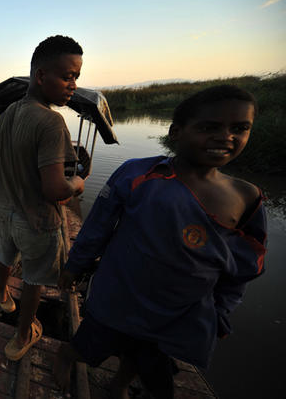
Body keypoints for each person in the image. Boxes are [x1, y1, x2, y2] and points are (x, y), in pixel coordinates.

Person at [54, 85, 268, 398]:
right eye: (209, 127)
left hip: (177, 311)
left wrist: (220, 313)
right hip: (118, 296)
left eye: (240, 128)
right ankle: (67, 355)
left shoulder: (246, 197)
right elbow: (98, 226)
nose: (226, 137)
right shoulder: (139, 174)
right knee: (92, 342)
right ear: (176, 132)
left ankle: (119, 384)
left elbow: (244, 268)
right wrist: (75, 267)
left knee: (145, 355)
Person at [0, 35, 86, 361]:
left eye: (76, 78)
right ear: (41, 75)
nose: (73, 85)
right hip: (38, 221)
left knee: (4, 256)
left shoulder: (9, 113)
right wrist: (79, 184)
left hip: (8, 213)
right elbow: (55, 190)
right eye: (68, 76)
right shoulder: (51, 122)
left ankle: (0, 292)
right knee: (34, 278)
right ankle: (22, 335)